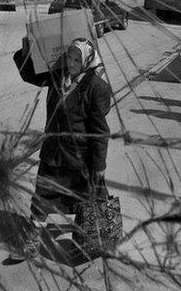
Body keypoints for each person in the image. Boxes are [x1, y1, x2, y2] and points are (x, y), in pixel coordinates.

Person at [11, 37, 112, 260]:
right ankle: (31, 242)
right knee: (40, 199)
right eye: (70, 56)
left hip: (79, 159)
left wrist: (99, 166)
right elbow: (30, 75)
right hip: (53, 153)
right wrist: (26, 51)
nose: (72, 62)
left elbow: (99, 132)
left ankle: (85, 241)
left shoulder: (96, 87)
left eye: (78, 58)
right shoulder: (58, 76)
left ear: (87, 60)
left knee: (83, 203)